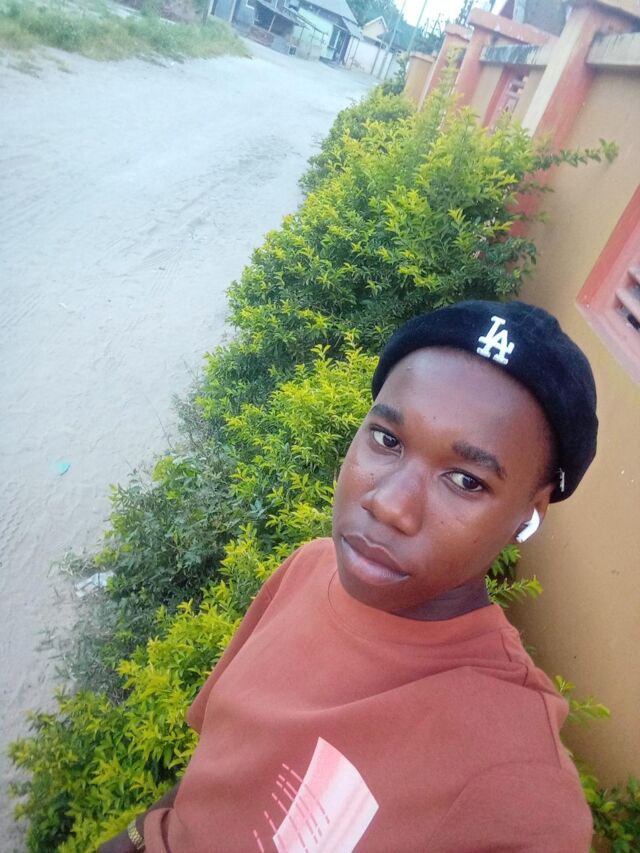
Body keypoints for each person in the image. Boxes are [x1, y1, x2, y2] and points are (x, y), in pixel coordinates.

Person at [101, 300, 597, 853]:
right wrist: (135, 837)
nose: (389, 505)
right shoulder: (308, 567)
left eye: (465, 480)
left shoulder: (520, 784)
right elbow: (222, 764)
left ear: (529, 515)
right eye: (387, 440)